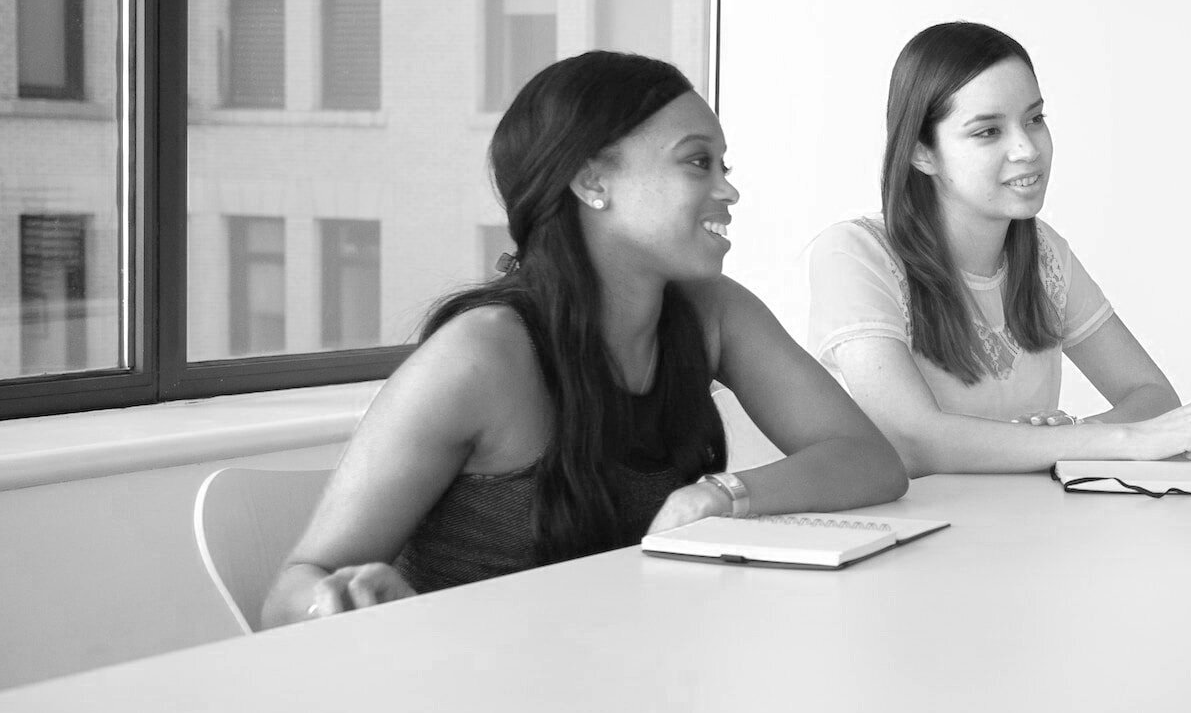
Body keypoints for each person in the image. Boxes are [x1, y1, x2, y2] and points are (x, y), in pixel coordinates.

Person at [265, 51, 906, 625]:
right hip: (475, 694)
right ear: (592, 181)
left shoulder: (712, 311)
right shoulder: (482, 355)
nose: (728, 189)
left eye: (723, 164)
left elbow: (869, 459)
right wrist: (338, 602)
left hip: (630, 674)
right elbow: (292, 592)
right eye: (697, 162)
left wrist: (720, 495)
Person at [807, 21, 1191, 474]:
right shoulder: (854, 254)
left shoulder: (1044, 252)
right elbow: (912, 440)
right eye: (988, 131)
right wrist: (1105, 440)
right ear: (922, 153)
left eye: (1034, 119)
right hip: (912, 518)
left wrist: (1067, 439)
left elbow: (1153, 395)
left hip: (1025, 516)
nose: (1027, 149)